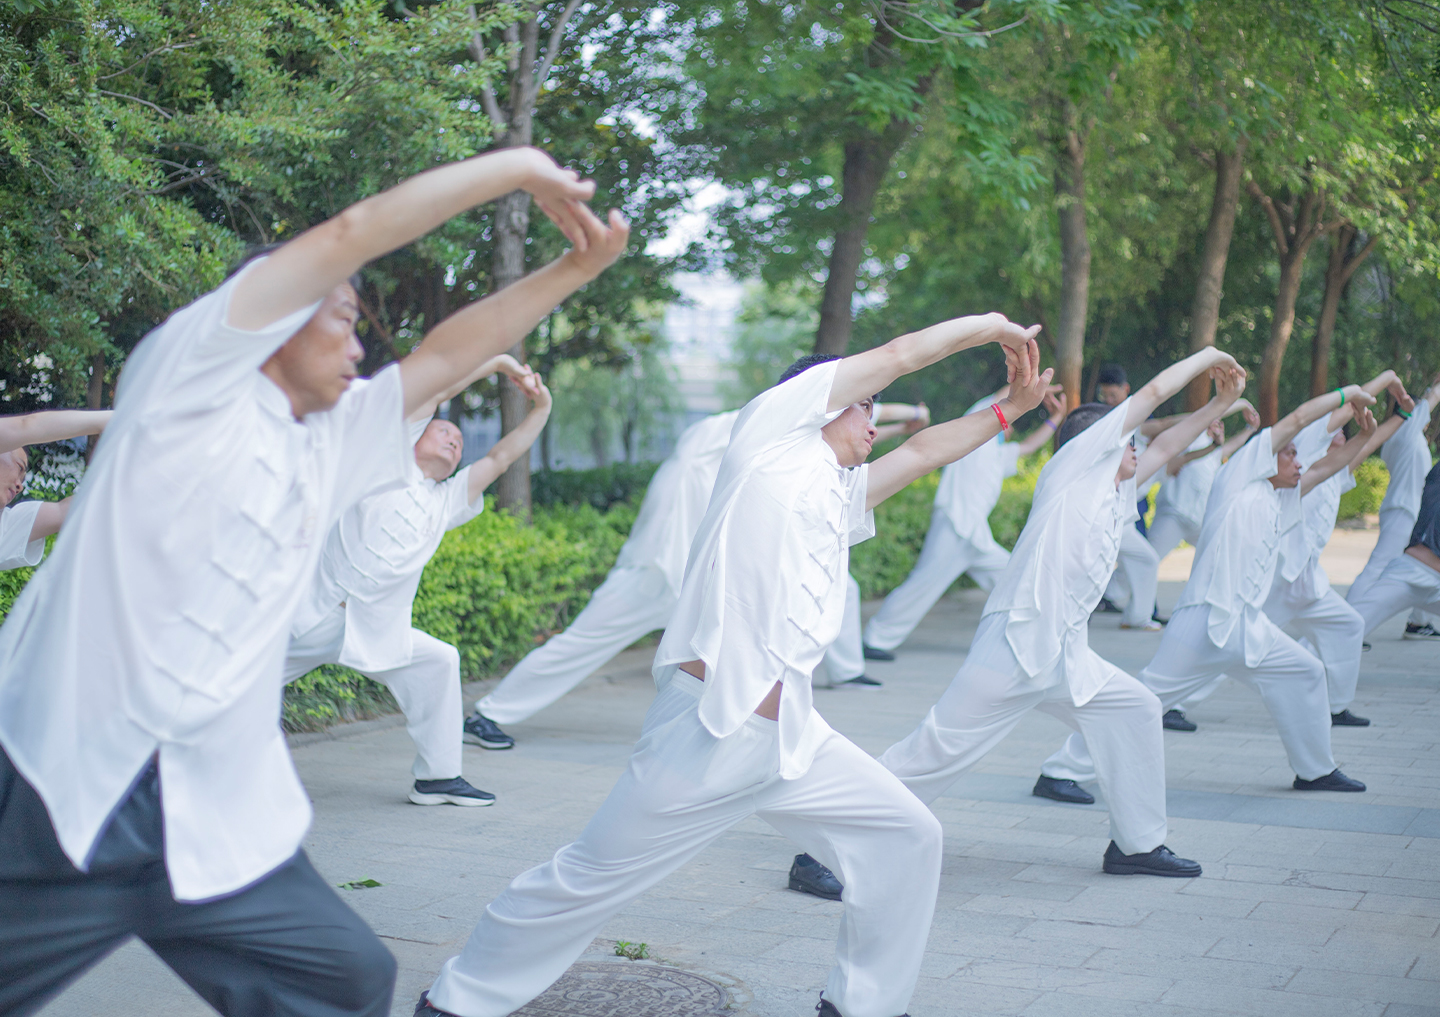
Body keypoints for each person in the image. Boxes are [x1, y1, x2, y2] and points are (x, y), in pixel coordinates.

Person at [0, 146, 627, 1017]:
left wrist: (575, 268)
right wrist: (516, 166)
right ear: (270, 322)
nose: (359, 341)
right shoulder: (187, 383)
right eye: (340, 316)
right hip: (58, 794)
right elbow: (352, 231)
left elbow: (449, 354)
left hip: (215, 820)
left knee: (347, 978)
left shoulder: (333, 444)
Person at [414, 316, 1053, 1017]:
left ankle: (864, 1004)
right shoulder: (767, 442)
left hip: (791, 741)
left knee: (908, 834)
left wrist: (1008, 411)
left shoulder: (836, 494)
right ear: (820, 399)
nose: (875, 421)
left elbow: (927, 449)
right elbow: (899, 355)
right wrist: (991, 326)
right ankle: (456, 999)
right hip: (708, 726)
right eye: (866, 405)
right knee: (588, 876)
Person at [875, 348, 1244, 879]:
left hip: (1065, 656)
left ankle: (1136, 846)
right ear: (1099, 445)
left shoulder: (1117, 492)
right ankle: (825, 845)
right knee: (933, 754)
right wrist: (1207, 357)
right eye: (1128, 440)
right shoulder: (1072, 471)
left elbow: (1167, 443)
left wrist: (1221, 405)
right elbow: (1152, 398)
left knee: (1135, 709)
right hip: (1014, 645)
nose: (1138, 447)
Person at [1039, 384, 1380, 802]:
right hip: (1201, 623)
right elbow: (1296, 419)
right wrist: (1348, 396)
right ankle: (1058, 770)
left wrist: (1365, 436)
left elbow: (1329, 468)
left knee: (1306, 672)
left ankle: (1316, 769)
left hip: (1247, 626)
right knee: (1144, 700)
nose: (1298, 460)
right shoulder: (1237, 481)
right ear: (1265, 456)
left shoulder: (1278, 497)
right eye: (1289, 452)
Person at [286, 355, 550, 806]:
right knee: (231, 675)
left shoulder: (446, 502)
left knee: (439, 661)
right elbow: (436, 390)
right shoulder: (384, 460)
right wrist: (497, 363)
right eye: (444, 430)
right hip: (308, 612)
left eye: (459, 441)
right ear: (416, 433)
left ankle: (438, 779)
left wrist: (541, 408)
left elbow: (502, 457)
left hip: (373, 631)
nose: (453, 439)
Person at [464, 407, 741, 749]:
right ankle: (488, 715)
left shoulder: (711, 461)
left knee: (717, 654)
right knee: (581, 644)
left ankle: (712, 731)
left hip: (688, 580)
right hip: (652, 575)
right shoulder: (702, 448)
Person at [858, 386, 1065, 661]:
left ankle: (1033, 637)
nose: (1010, 428)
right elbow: (994, 402)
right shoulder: (977, 437)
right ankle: (875, 638)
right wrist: (1027, 386)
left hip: (976, 536)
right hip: (955, 525)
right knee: (924, 583)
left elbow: (1030, 446)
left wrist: (1056, 418)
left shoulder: (1000, 455)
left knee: (1016, 578)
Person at [819, 401, 931, 688]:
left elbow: (867, 430)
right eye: (866, 406)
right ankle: (847, 671)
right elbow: (880, 415)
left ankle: (847, 671)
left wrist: (903, 429)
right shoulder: (840, 400)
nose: (870, 420)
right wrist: (918, 414)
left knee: (845, 587)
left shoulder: (842, 418)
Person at [1348, 374, 1440, 641]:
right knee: (1379, 568)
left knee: (1409, 573)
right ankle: (1349, 622)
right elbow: (1430, 402)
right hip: (1404, 510)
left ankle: (1417, 622)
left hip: (1406, 510)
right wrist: (1434, 387)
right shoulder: (1407, 432)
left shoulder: (1397, 440)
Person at [0, 409, 112, 568]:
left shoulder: (6, 527)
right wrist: (113, 418)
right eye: (19, 468)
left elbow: (64, 511)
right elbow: (27, 426)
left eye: (23, 479)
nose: (20, 485)